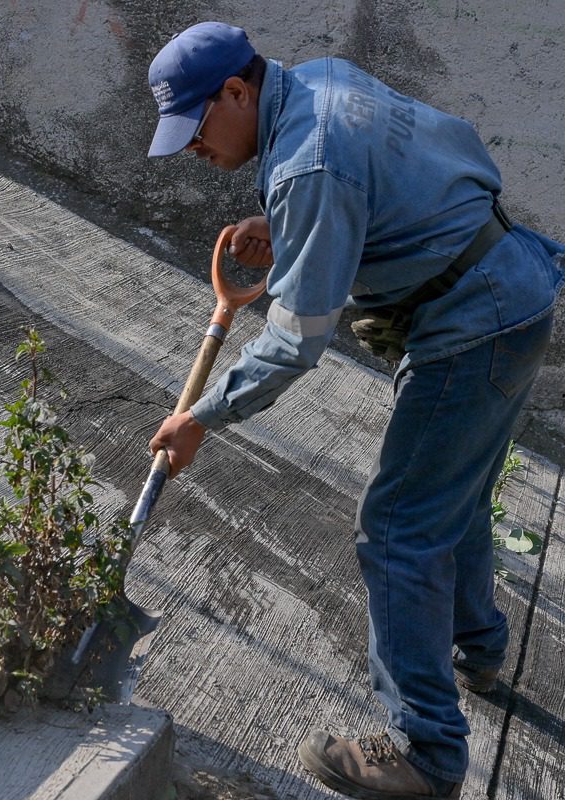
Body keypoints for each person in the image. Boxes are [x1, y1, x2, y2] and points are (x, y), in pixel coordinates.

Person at [145, 20, 564, 800]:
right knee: (458, 501)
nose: (192, 151)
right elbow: (434, 154)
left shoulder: (309, 164)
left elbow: (297, 340)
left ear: (237, 91)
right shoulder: (322, 82)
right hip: (513, 287)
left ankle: (426, 752)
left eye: (194, 128)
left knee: (398, 532)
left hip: (470, 327)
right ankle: (479, 646)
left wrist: (202, 415)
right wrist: (294, 228)